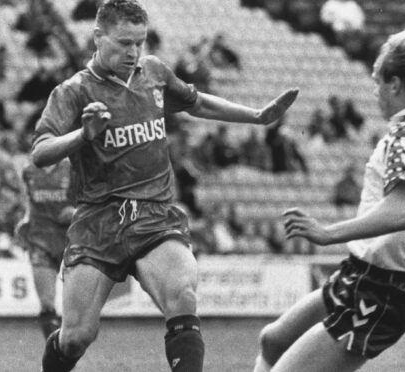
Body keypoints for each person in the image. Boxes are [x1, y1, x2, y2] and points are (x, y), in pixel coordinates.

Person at [31, 1, 298, 371]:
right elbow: (40, 152)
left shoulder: (153, 72)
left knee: (183, 296)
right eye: (124, 42)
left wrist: (256, 116)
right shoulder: (73, 92)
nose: (133, 52)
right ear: (98, 36)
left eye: (139, 42)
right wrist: (82, 135)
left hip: (154, 215)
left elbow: (197, 103)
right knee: (76, 336)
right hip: (98, 222)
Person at [253, 25, 405, 372]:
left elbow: (399, 213)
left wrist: (327, 233)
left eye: (377, 81)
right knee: (273, 340)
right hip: (359, 276)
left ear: (395, 83)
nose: (376, 91)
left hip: (379, 290)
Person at [15, 158, 75, 339]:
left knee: (77, 305)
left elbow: (91, 198)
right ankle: (54, 352)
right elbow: (26, 200)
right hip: (39, 240)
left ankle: (70, 342)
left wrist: (76, 212)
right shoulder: (28, 171)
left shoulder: (73, 167)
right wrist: (25, 219)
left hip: (71, 240)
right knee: (47, 301)